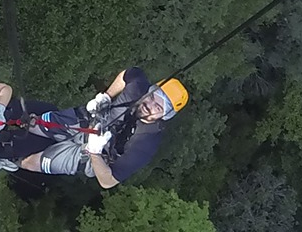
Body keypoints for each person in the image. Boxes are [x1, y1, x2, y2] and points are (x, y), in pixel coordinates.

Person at [18, 67, 188, 188]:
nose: (149, 105)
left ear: (165, 116)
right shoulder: (138, 87)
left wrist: (94, 151)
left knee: (31, 164)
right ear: (149, 90)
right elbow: (127, 74)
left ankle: (8, 162)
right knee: (32, 124)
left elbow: (108, 182)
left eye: (158, 108)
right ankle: (2, 134)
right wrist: (106, 96)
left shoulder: (146, 143)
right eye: (152, 97)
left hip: (94, 156)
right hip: (87, 121)